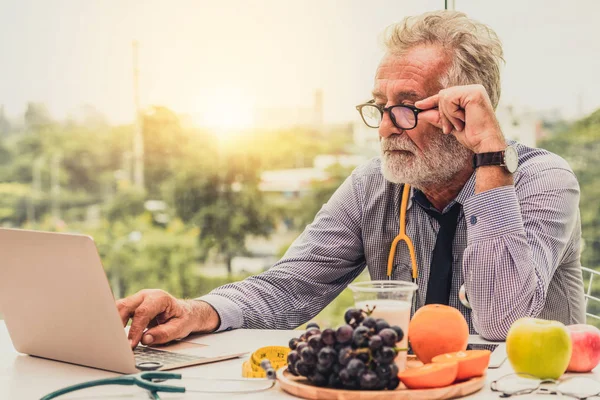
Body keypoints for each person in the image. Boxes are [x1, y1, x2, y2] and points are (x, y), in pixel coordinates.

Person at [117, 10, 585, 347]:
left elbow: (504, 321)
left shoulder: (541, 181)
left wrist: (489, 157)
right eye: (380, 107)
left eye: (406, 106)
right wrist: (196, 311)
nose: (384, 127)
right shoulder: (375, 187)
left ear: (462, 109)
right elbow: (289, 287)